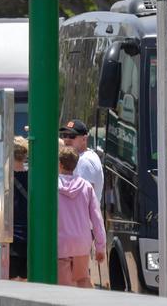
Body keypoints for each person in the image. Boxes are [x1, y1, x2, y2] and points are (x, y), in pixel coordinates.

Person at [56, 146, 105, 288]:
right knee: (83, 280)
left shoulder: (52, 186)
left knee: (64, 285)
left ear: (59, 164)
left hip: (61, 242)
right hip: (82, 243)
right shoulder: (86, 186)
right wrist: (100, 247)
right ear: (76, 164)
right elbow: (96, 218)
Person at [0, 136, 29, 280]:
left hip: (6, 240)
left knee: (5, 286)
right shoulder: (33, 177)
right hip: (28, 241)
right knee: (26, 284)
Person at [59, 120, 103, 203]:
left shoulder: (85, 161)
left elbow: (84, 199)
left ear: (84, 139)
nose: (67, 139)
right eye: (64, 135)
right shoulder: (83, 155)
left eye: (72, 136)